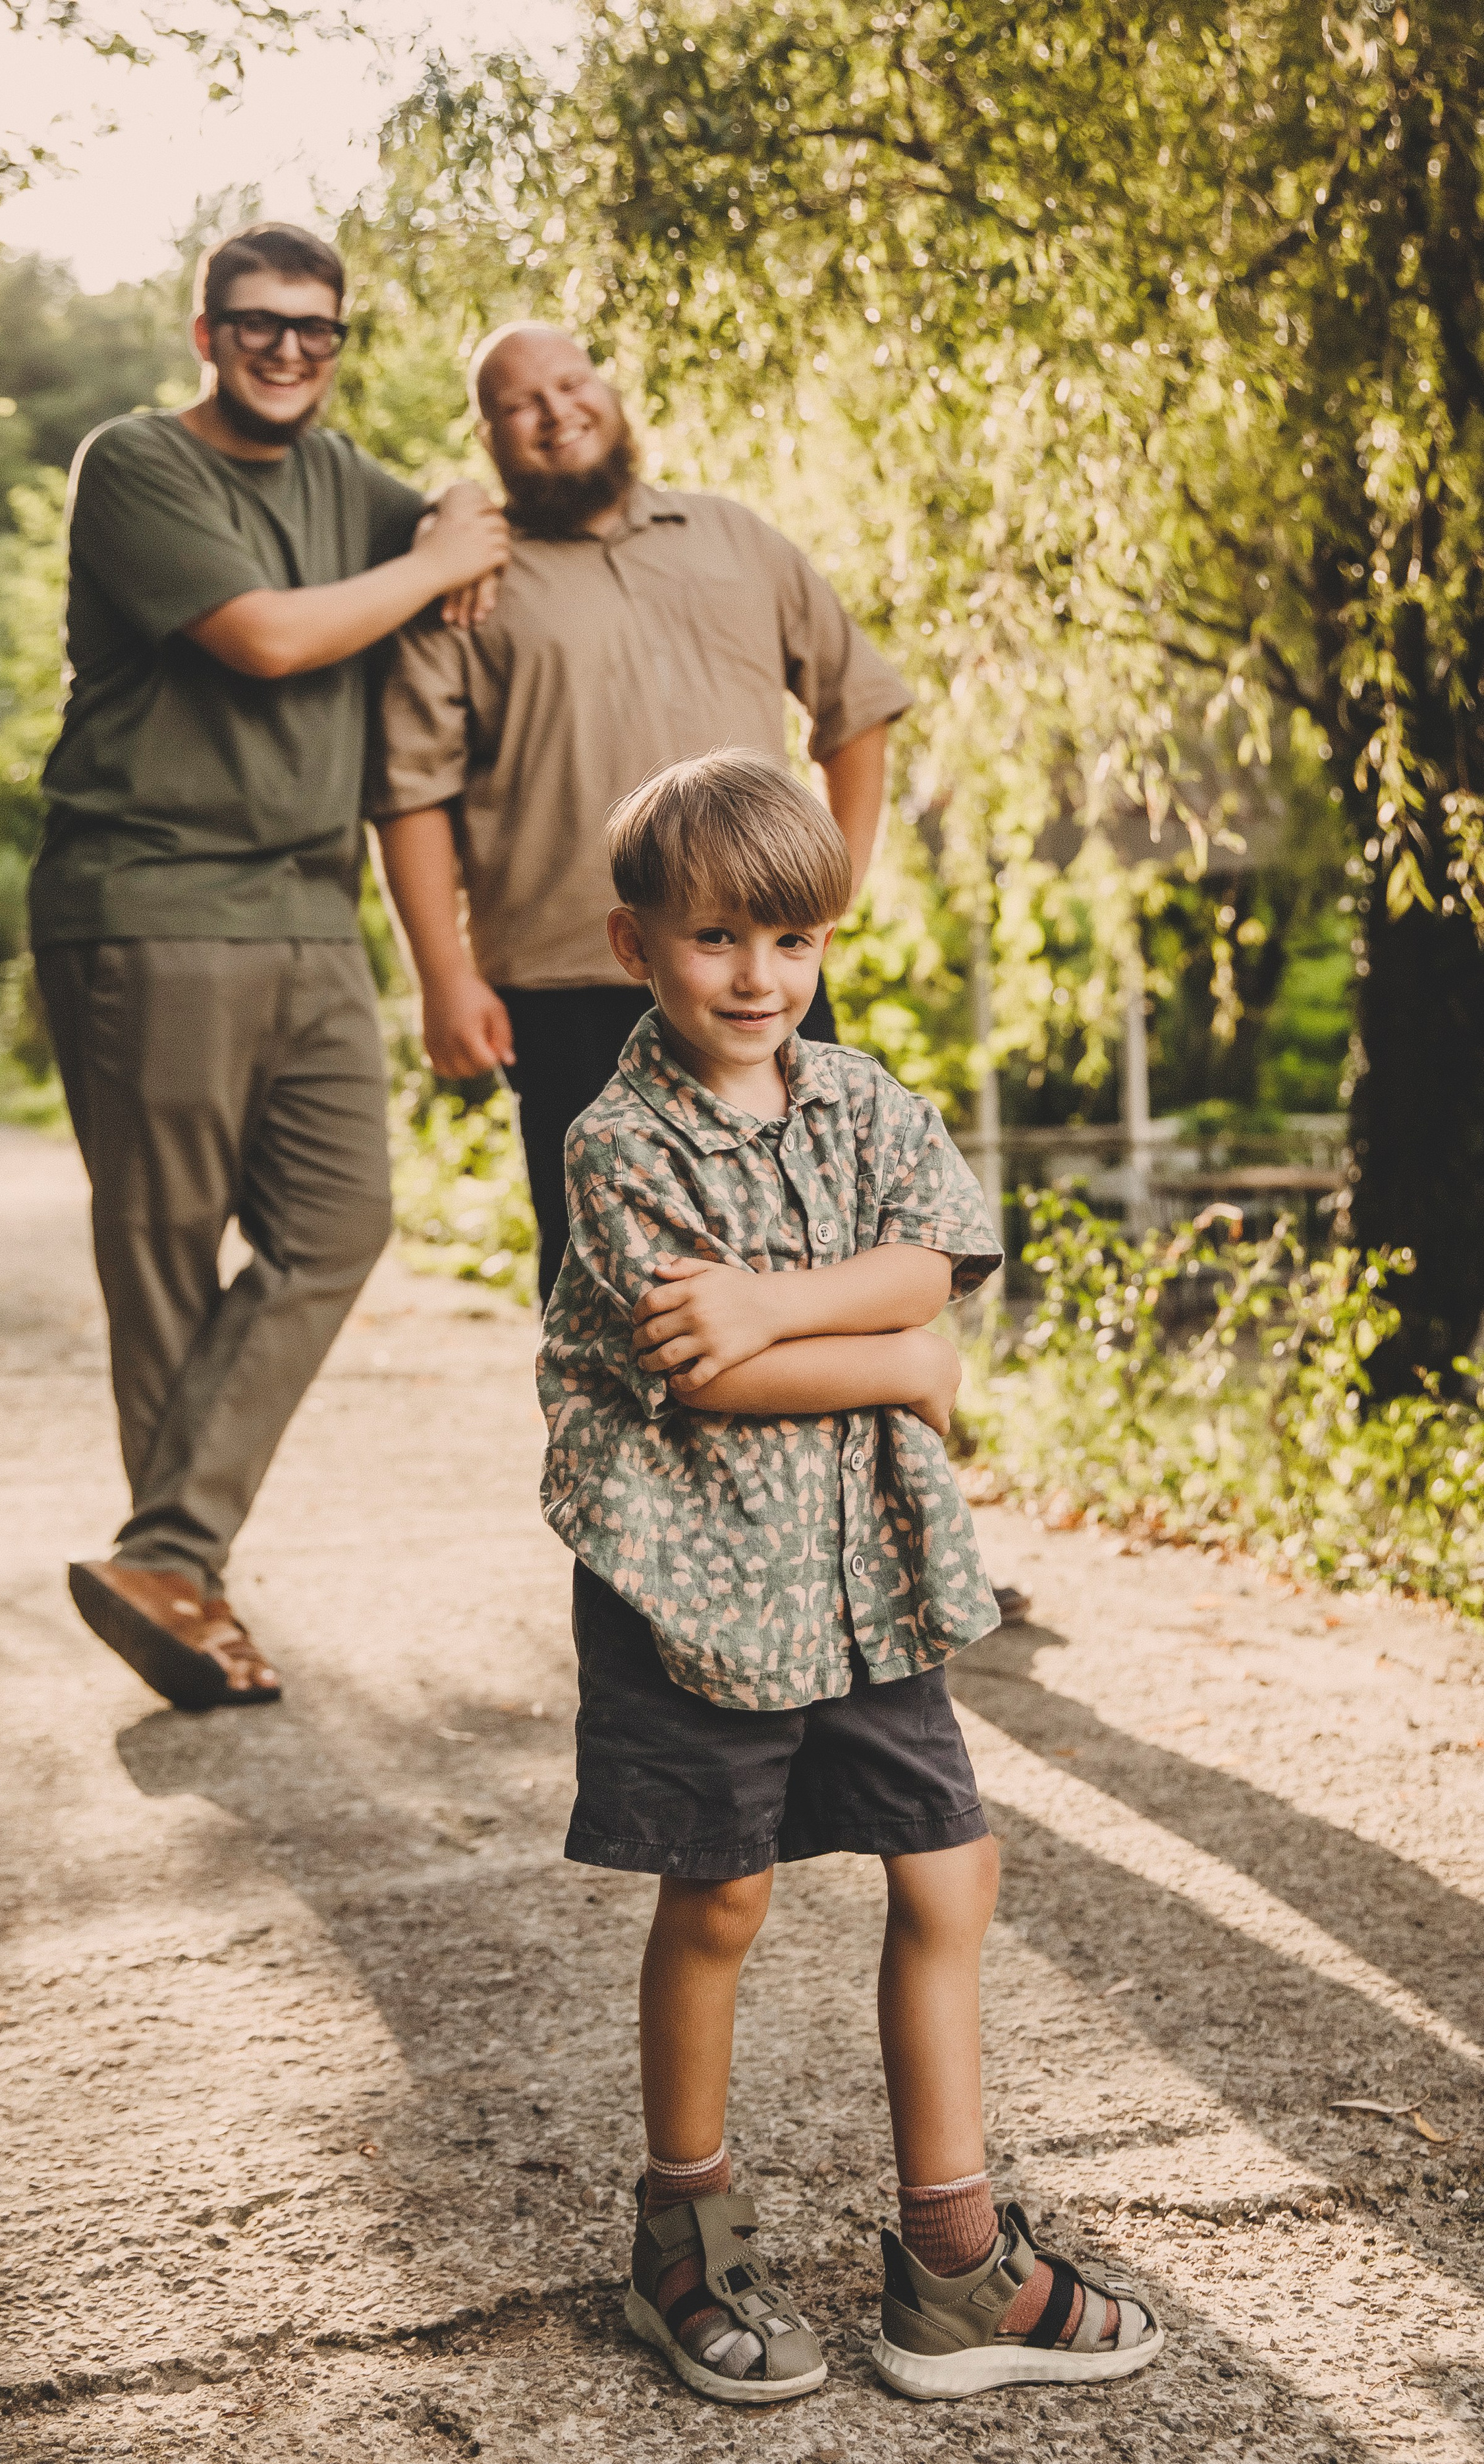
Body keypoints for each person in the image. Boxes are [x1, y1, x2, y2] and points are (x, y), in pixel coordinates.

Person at [536, 751, 1161, 2405]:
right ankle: (682, 2234)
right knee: (722, 1894)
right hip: (691, 1579)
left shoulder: (869, 1100)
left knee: (950, 1875)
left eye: (793, 941)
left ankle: (951, 2265)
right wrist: (896, 1361)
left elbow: (931, 1266)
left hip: (862, 1570)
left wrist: (781, 1307)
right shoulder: (616, 1146)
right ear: (634, 946)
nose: (759, 978)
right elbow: (716, 1377)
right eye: (717, 940)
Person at [373, 320, 1031, 1628]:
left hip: (761, 982)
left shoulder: (739, 541)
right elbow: (412, 790)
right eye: (517, 406)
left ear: (612, 392)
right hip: (567, 985)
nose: (554, 415)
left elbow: (857, 704)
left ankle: (909, 1542)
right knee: (630, 1305)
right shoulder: (471, 583)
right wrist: (442, 976)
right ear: (489, 438)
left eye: (571, 386)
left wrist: (823, 894)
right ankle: (656, 1572)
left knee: (823, 1265)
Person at [30, 221, 510, 1713]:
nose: (289, 349)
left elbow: (448, 507)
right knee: (162, 1253)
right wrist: (434, 556)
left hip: (310, 911)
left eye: (317, 328)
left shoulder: (339, 477)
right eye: (258, 322)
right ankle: (186, 1584)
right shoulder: (137, 463)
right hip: (149, 899)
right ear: (205, 331)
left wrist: (454, 503)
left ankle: (165, 1553)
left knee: (342, 1220)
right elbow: (268, 640)